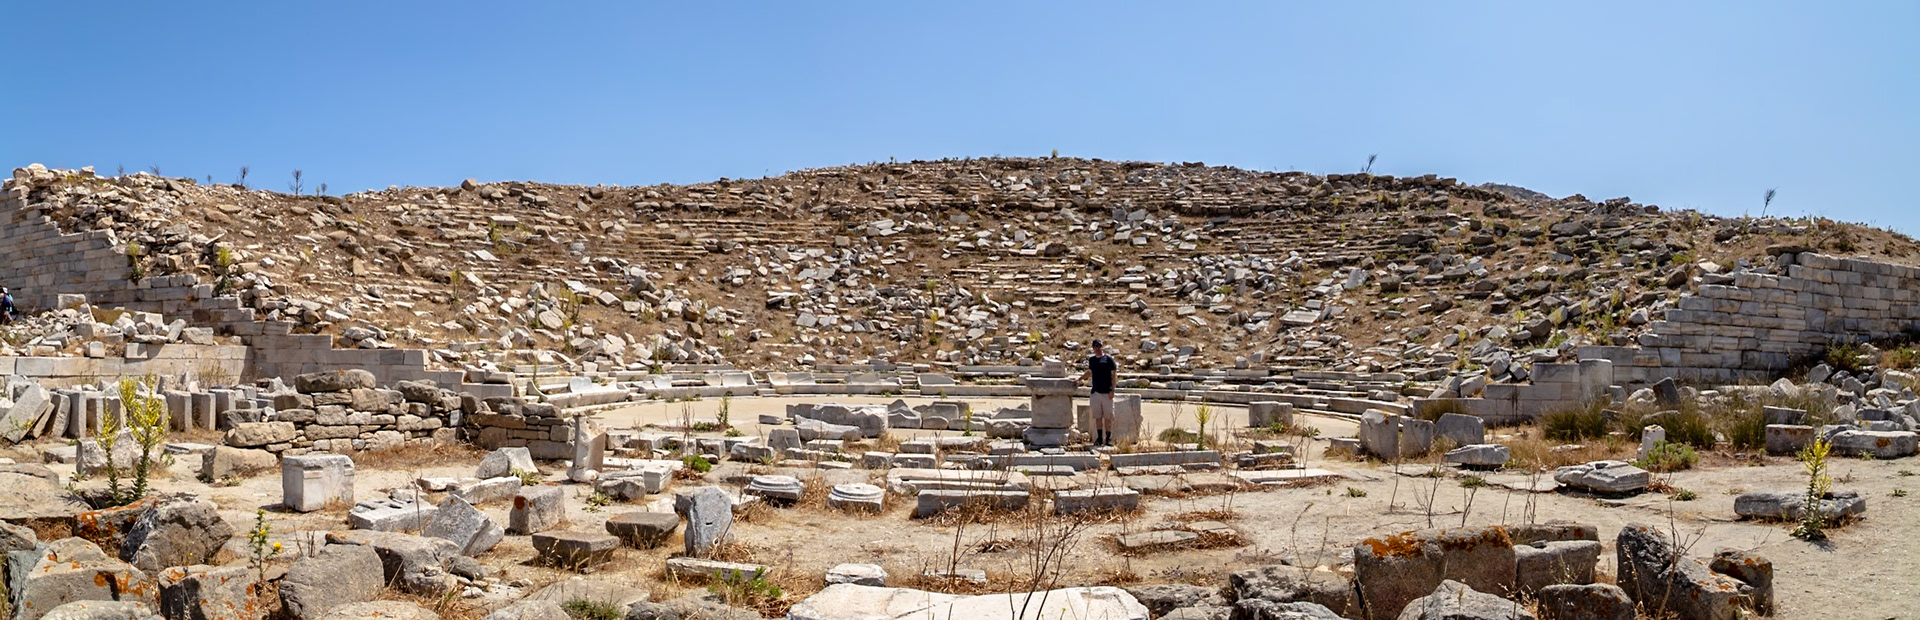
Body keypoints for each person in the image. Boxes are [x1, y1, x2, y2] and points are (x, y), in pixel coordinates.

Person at [1078, 339, 1119, 446]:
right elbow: (1090, 372)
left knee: (1108, 417)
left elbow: (1114, 375)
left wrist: (1112, 390)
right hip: (1096, 392)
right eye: (1095, 346)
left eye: (1099, 346)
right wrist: (1079, 378)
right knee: (1098, 417)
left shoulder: (1108, 359)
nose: (1097, 348)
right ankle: (1100, 438)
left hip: (1107, 393)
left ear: (1102, 347)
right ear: (1093, 348)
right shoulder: (1092, 360)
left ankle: (1108, 438)